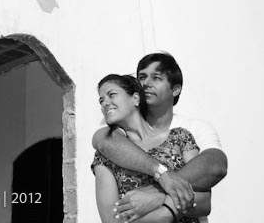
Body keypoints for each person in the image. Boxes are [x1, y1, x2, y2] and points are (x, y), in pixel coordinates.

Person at [92, 53, 228, 222]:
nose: (146, 83)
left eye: (156, 77)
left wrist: (160, 200)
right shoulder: (111, 142)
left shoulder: (185, 133)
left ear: (176, 89)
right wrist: (164, 180)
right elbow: (112, 219)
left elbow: (205, 199)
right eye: (142, 77)